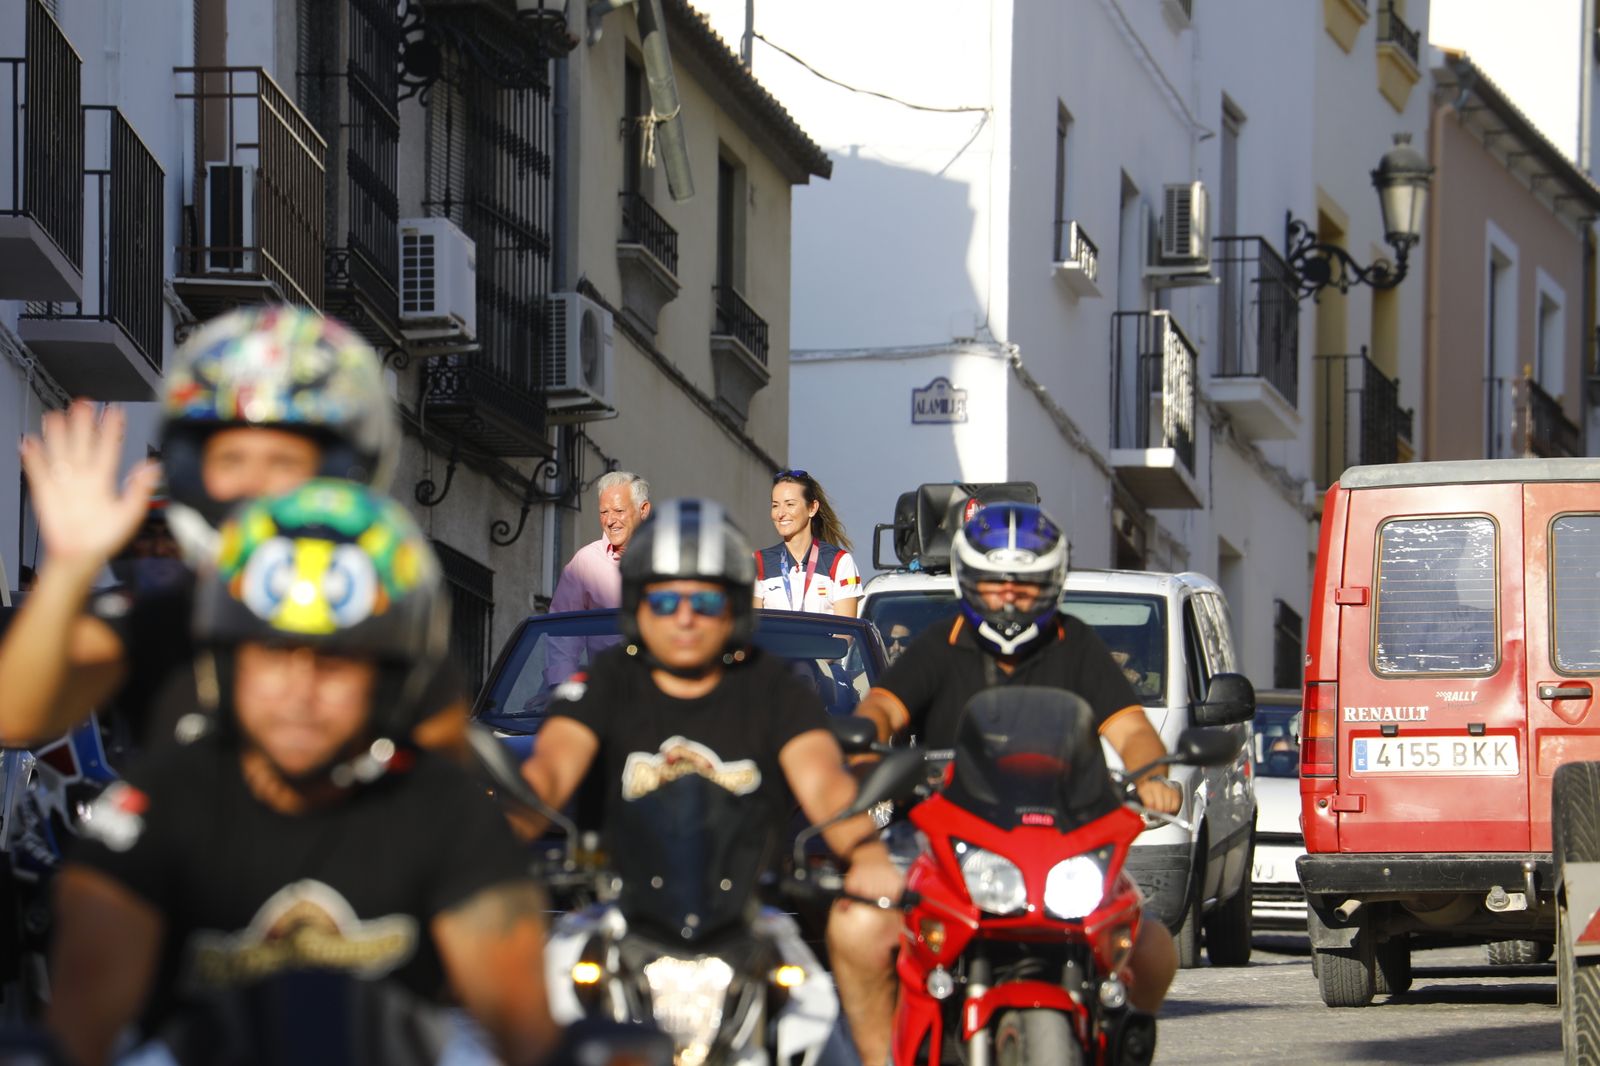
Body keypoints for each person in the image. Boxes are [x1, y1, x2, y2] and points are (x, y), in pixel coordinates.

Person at [46, 481, 558, 1066]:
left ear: (389, 680)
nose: (300, 691)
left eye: (335, 659)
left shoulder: (449, 813)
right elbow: (76, 1039)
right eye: (271, 651)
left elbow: (526, 1039)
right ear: (225, 662)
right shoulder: (149, 808)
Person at [518, 498, 902, 1065]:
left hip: (753, 919)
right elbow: (548, 771)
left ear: (735, 608)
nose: (685, 617)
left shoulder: (774, 687)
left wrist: (865, 853)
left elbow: (822, 781)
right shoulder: (606, 682)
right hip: (618, 913)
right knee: (526, 1029)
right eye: (665, 599)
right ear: (638, 606)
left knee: (825, 1040)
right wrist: (495, 837)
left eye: (705, 599)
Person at [0, 305, 472, 752]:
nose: (254, 482)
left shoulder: (385, 611)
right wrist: (69, 566)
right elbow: (13, 717)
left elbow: (449, 797)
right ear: (190, 469)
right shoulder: (160, 615)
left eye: (284, 461)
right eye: (231, 459)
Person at [836, 502, 1183, 1066]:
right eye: (995, 582)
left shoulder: (1075, 643)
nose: (1010, 596)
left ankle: (1119, 1047)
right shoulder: (941, 642)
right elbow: (884, 703)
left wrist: (1152, 776)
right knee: (858, 925)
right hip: (943, 832)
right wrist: (864, 738)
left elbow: (1132, 729)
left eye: (1026, 584)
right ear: (969, 582)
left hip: (1063, 837)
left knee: (1152, 948)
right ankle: (880, 1058)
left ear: (1052, 584)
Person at [755, 470, 861, 617]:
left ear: (812, 508)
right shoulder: (758, 562)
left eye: (790, 504)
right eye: (775, 505)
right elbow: (752, 629)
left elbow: (845, 635)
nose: (780, 513)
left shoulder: (840, 562)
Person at [548, 471, 651, 612]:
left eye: (619, 511)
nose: (609, 521)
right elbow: (561, 628)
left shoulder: (666, 557)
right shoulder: (585, 563)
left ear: (643, 510)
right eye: (604, 512)